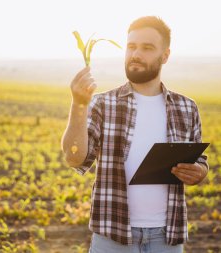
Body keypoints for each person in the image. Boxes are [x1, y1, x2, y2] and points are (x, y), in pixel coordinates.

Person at [61, 16, 209, 253]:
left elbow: (199, 162)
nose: (136, 54)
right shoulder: (103, 104)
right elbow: (74, 158)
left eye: (147, 48)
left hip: (167, 237)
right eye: (131, 46)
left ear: (165, 56)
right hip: (112, 236)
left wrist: (199, 172)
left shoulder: (186, 107)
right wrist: (79, 104)